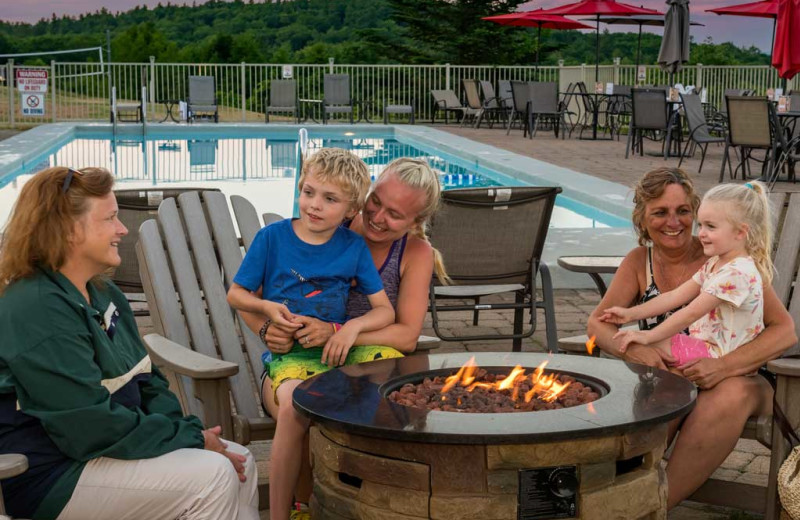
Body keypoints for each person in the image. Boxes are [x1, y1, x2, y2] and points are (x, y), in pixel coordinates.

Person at [0, 167, 258, 520]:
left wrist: (187, 433)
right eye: (110, 219)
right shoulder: (36, 307)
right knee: (210, 476)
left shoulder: (104, 293)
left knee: (239, 461)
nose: (122, 230)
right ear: (69, 230)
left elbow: (147, 382)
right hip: (50, 475)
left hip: (102, 452)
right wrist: (191, 440)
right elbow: (86, 427)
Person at [237, 156, 446, 519]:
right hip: (293, 364)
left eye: (395, 214)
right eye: (376, 202)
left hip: (356, 365)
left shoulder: (414, 253)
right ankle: (300, 504)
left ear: (416, 222)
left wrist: (340, 333)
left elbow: (407, 336)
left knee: (397, 400)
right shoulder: (329, 221)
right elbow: (247, 299)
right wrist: (269, 331)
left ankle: (376, 503)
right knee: (305, 407)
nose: (378, 217)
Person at [587, 167, 796, 510]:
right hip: (678, 372)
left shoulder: (727, 259)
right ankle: (620, 497)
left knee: (724, 395)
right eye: (660, 212)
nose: (675, 222)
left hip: (743, 377)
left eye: (683, 211)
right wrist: (637, 349)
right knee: (662, 388)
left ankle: (652, 508)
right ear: (642, 219)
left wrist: (723, 366)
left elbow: (784, 330)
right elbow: (598, 323)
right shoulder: (640, 262)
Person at [601, 181, 772, 366]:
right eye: (701, 225)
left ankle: (669, 391)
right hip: (707, 347)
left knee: (653, 349)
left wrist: (648, 336)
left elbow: (690, 313)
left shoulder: (735, 273)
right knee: (652, 350)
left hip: (721, 356)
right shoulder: (716, 263)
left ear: (740, 232)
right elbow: (675, 296)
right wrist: (630, 314)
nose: (702, 233)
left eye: (711, 227)